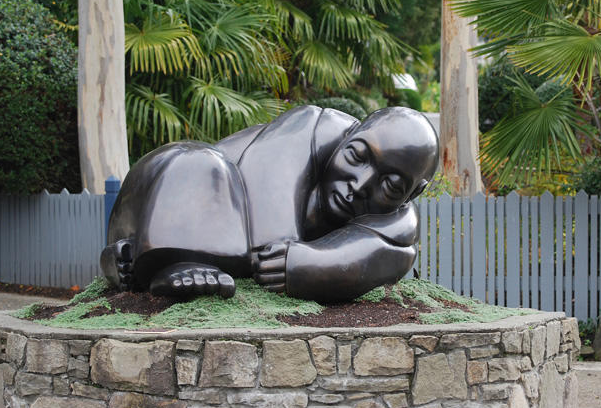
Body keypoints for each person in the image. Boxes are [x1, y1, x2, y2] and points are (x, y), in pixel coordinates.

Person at [100, 105, 439, 303]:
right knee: (198, 162)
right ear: (351, 132)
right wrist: (282, 255)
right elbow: (268, 221)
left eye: (391, 186)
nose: (360, 184)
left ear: (411, 195)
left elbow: (385, 253)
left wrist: (303, 264)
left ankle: (134, 261)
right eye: (357, 156)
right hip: (171, 190)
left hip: (213, 230)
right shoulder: (310, 126)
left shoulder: (398, 221)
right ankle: (158, 259)